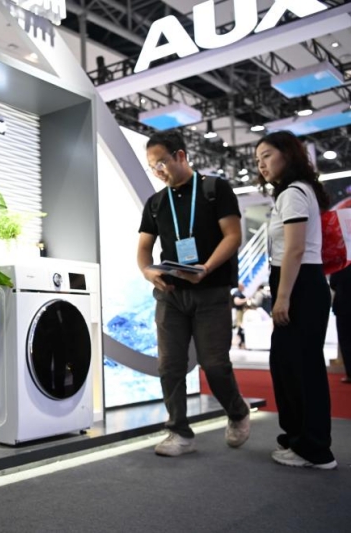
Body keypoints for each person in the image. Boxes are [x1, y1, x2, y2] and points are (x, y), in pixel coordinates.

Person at [137, 130, 250, 457]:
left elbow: (233, 236)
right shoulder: (156, 203)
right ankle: (179, 431)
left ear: (181, 156)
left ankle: (237, 411)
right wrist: (148, 272)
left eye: (161, 163)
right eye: (151, 167)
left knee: (214, 364)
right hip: (171, 294)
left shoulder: (215, 189)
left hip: (211, 292)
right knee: (169, 365)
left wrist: (206, 268)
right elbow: (144, 248)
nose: (158, 171)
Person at [255, 130, 336, 469]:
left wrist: (283, 297)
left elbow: (296, 249)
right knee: (293, 367)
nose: (261, 165)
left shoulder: (293, 193)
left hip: (300, 284)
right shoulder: (297, 192)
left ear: (287, 155)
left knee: (301, 369)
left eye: (267, 156)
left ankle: (314, 449)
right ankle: (302, 441)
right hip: (302, 283)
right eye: (257, 159)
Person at [329, 264, 351, 384]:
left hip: (343, 306)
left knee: (345, 340)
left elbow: (333, 283)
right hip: (343, 306)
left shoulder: (341, 266)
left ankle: (350, 373)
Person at [231, 282, 249, 349]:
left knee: (240, 328)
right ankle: (239, 342)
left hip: (240, 311)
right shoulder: (237, 293)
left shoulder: (239, 293)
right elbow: (237, 302)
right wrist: (245, 300)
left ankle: (240, 342)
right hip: (238, 312)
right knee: (239, 327)